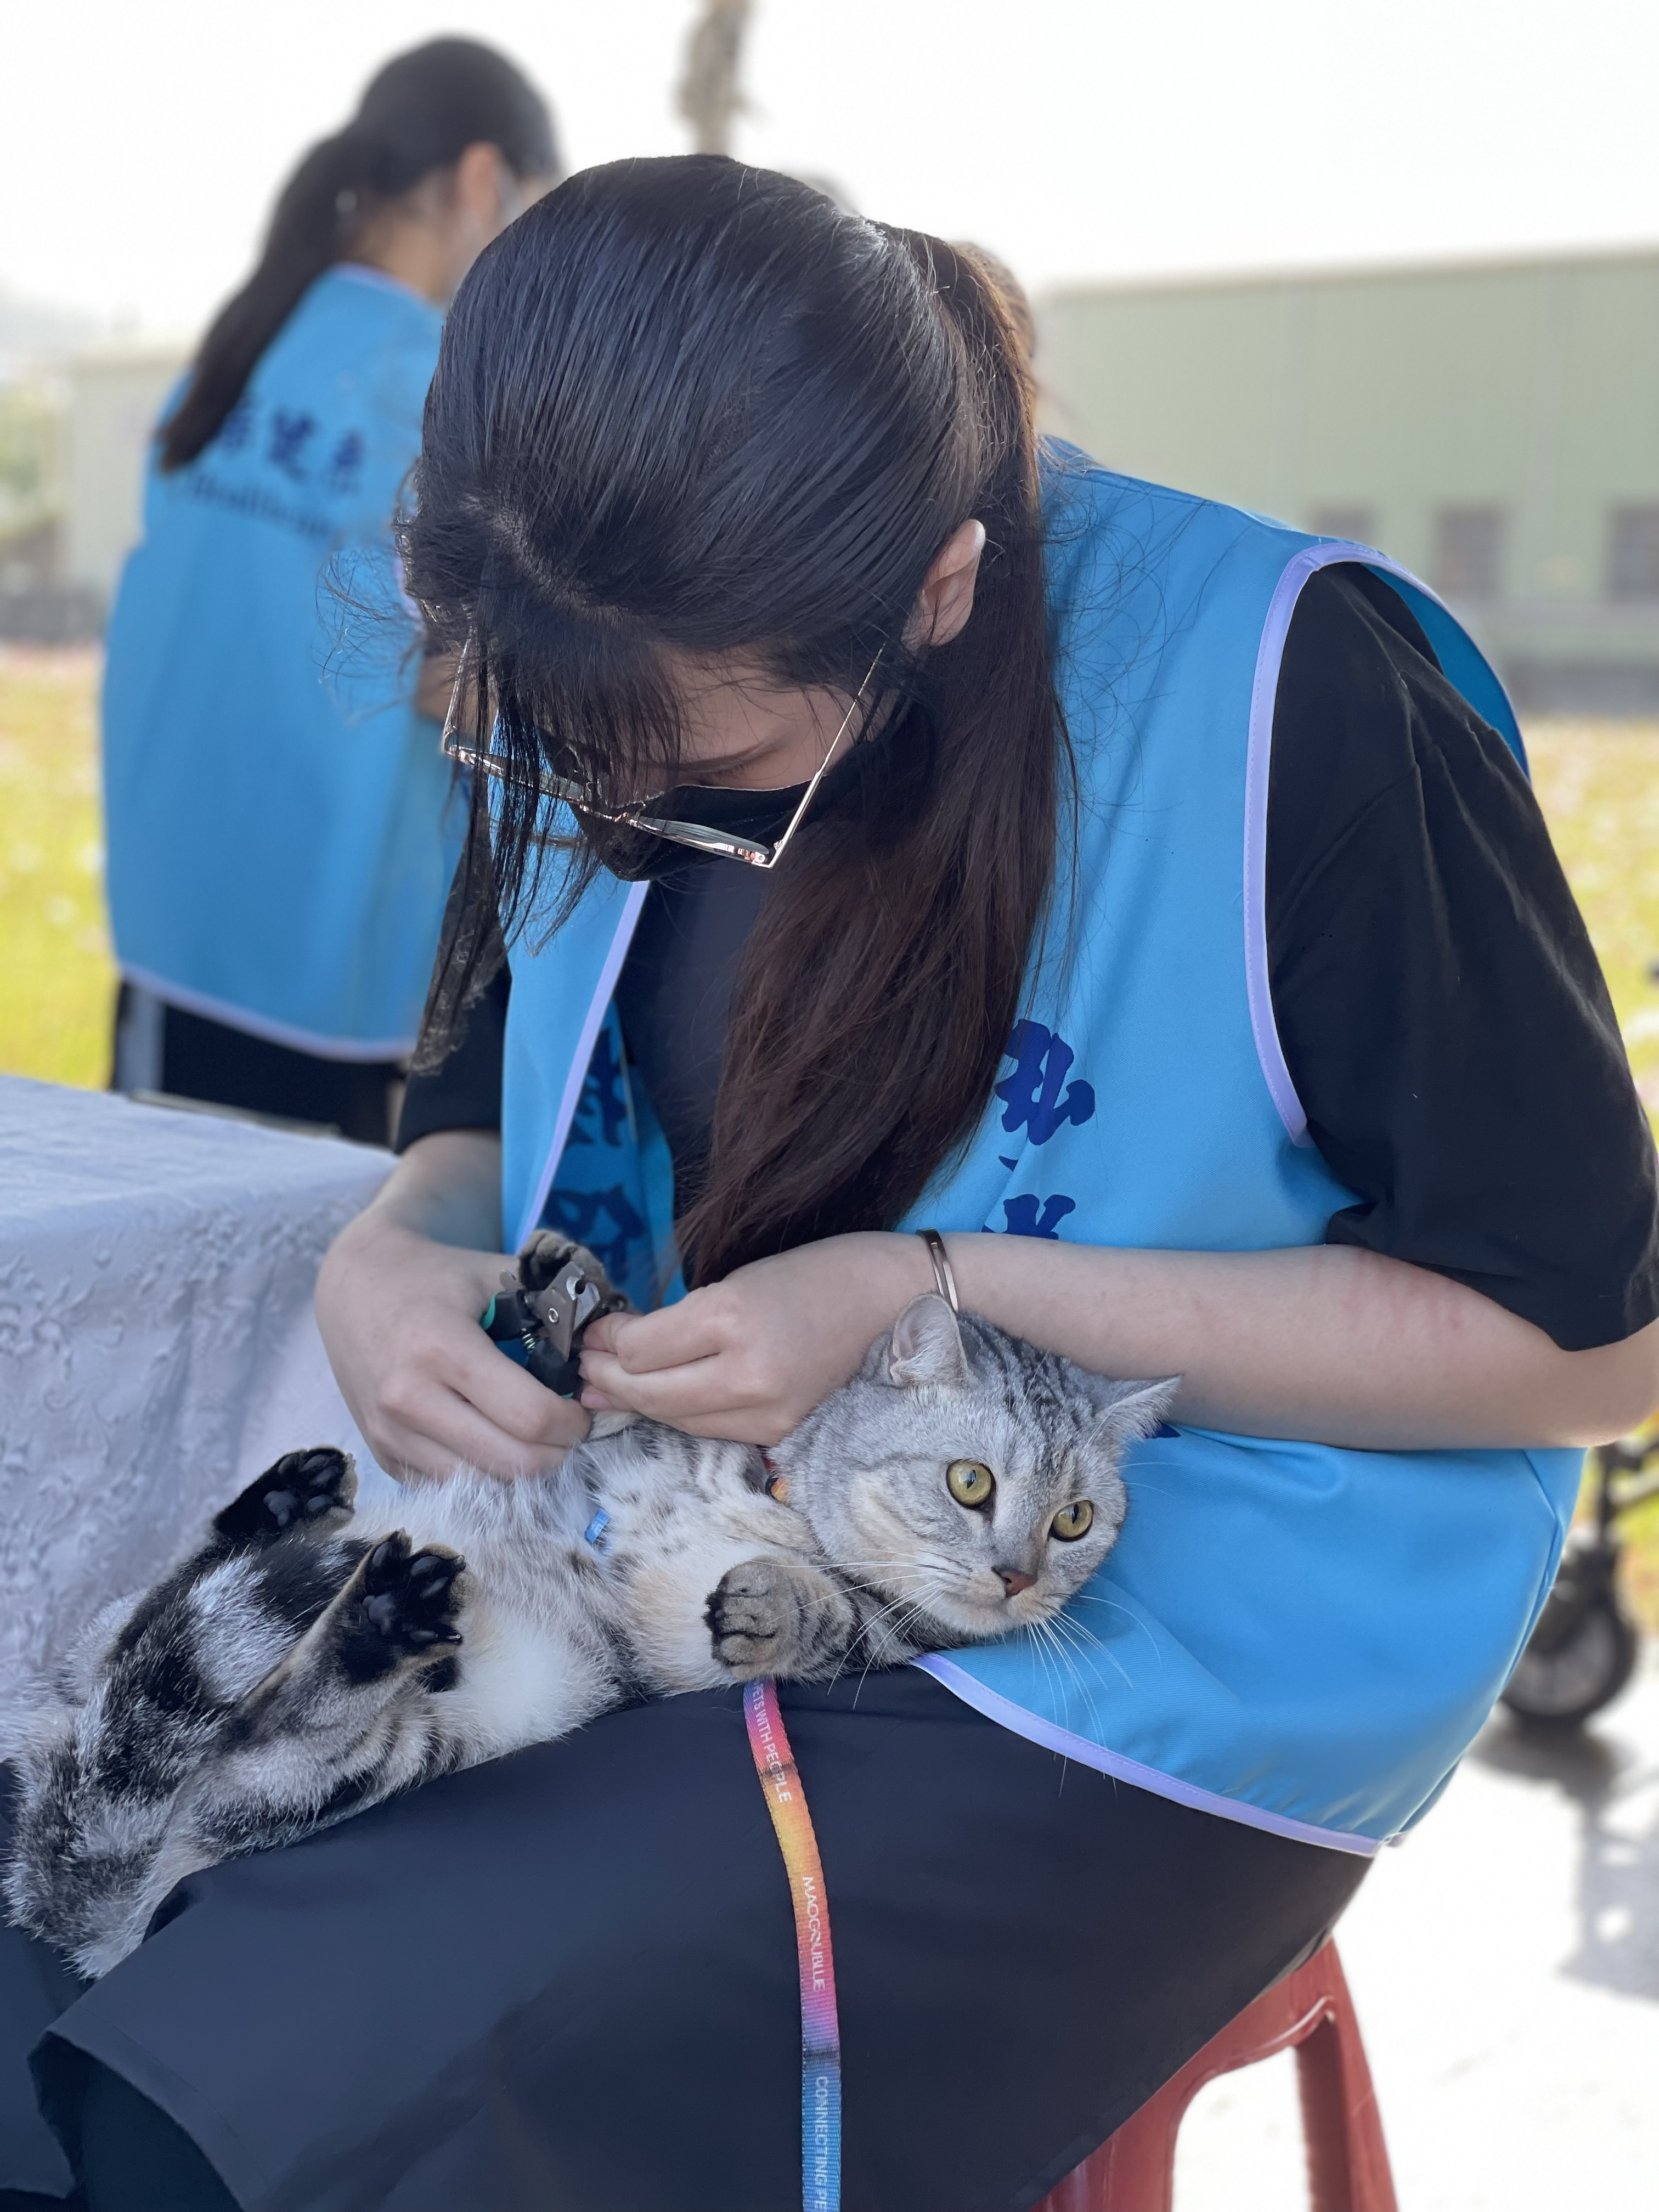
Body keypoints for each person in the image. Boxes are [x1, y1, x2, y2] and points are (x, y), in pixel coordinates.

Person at [5, 157, 1658, 2211]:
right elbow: (466, 1095)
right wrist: (404, 1240)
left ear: (939, 596)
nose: (620, 831)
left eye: (715, 799)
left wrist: (923, 1287)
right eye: (562, 778)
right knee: (85, 1890)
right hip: (686, 1529)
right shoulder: (590, 654)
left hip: (1128, 1618)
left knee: (293, 2070)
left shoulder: (1288, 698)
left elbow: (1583, 1352)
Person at [101, 40, 559, 1145]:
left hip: (178, 937)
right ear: (483, 180)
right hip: (332, 966)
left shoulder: (239, 344)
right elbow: (447, 680)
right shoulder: (439, 379)